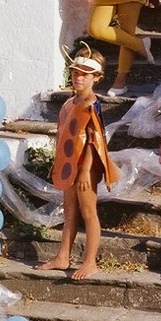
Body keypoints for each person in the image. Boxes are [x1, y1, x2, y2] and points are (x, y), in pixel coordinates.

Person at [37, 51, 118, 280]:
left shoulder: (92, 104)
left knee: (88, 212)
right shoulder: (69, 103)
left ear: (96, 78)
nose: (79, 78)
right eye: (75, 73)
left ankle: (90, 261)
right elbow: (64, 135)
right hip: (69, 164)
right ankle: (63, 256)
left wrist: (85, 171)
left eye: (85, 75)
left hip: (86, 167)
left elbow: (95, 140)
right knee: (70, 211)